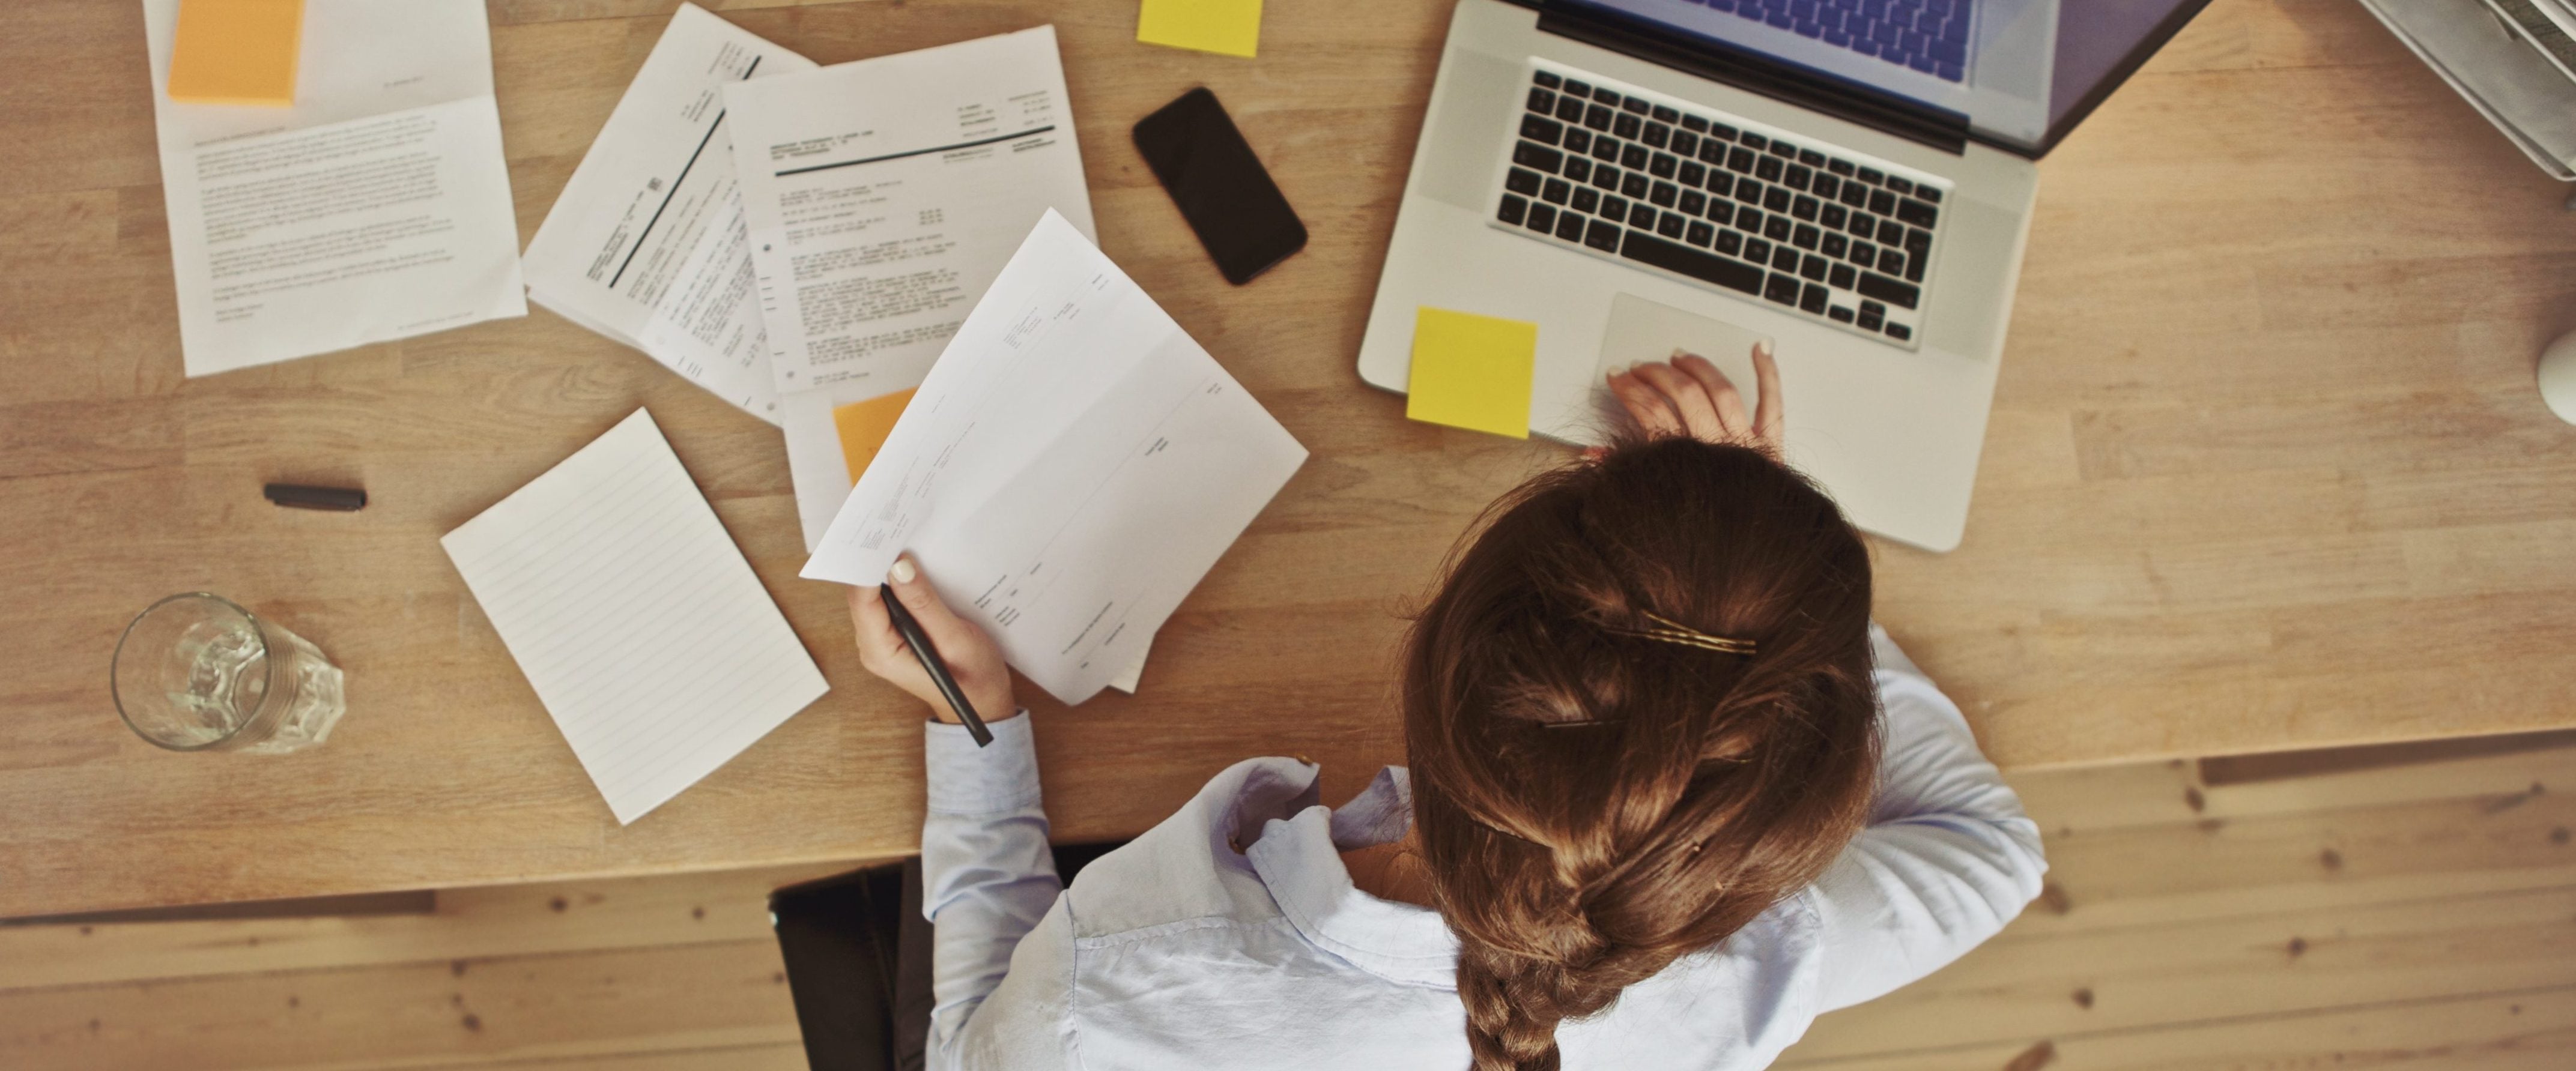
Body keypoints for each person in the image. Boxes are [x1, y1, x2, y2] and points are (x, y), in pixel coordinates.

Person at [847, 347, 2046, 1071]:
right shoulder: (1744, 973)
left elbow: (970, 1045)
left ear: (1429, 642)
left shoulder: (1119, 982)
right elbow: (1988, 858)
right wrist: (1786, 611)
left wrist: (978, 730)